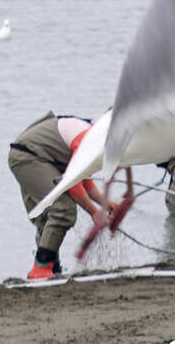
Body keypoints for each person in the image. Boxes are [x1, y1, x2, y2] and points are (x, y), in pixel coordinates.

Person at [8, 112, 115, 279]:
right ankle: (41, 268)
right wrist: (94, 211)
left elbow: (82, 178)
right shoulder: (88, 138)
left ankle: (51, 269)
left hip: (31, 155)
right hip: (29, 157)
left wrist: (105, 203)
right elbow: (73, 184)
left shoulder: (95, 134)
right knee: (63, 210)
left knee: (46, 216)